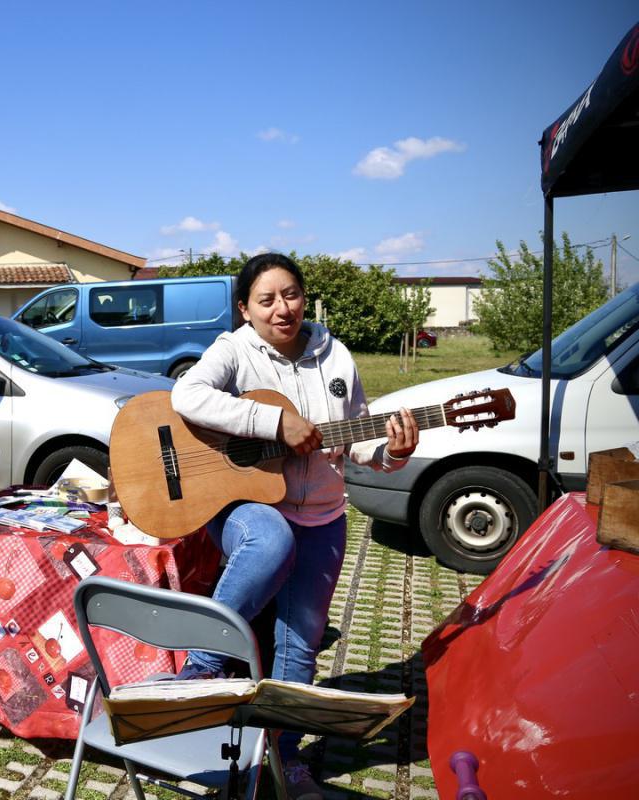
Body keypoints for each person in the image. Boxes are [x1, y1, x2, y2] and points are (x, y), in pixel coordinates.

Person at [169, 253, 418, 800]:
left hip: (323, 515)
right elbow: (186, 395)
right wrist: (273, 421)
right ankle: (202, 667)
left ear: (305, 298)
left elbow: (358, 438)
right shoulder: (234, 349)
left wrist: (394, 453)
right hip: (249, 507)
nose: (282, 308)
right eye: (267, 300)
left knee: (301, 644)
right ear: (245, 309)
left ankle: (283, 755)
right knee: (270, 538)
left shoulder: (336, 356)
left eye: (291, 295)